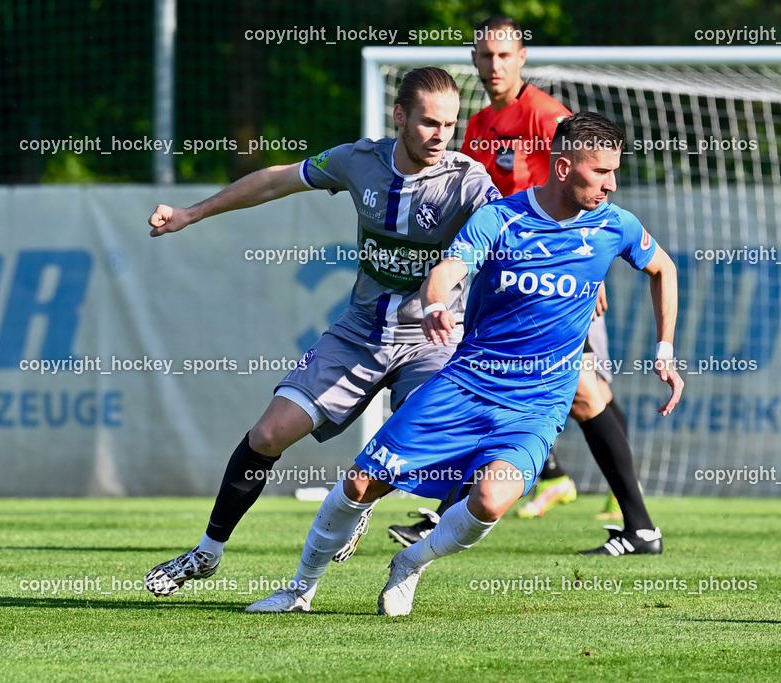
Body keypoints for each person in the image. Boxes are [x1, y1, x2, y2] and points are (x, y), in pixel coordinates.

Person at [244, 111, 684, 615]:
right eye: (601, 171)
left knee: (490, 501)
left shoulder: (615, 225)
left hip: (537, 405)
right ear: (564, 168)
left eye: (614, 172)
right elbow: (448, 269)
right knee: (361, 484)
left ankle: (410, 563)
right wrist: (435, 304)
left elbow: (663, 269)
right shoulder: (501, 218)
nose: (611, 184)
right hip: (465, 385)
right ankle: (299, 590)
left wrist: (665, 351)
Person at [142, 67, 501, 596]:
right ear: (400, 116)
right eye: (429, 122)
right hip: (359, 333)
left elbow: (510, 235)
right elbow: (275, 180)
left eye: (449, 124)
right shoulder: (359, 161)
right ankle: (207, 552)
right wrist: (191, 213)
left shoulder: (469, 182)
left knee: (429, 439)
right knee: (267, 435)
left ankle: (366, 506)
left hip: (433, 340)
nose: (440, 135)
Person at [388, 15, 659, 556]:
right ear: (473, 59)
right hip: (506, 283)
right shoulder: (478, 124)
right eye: (485, 56)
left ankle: (634, 520)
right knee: (533, 387)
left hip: (556, 281)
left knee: (584, 392)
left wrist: (587, 265)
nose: (494, 66)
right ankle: (617, 513)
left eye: (504, 55)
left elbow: (584, 189)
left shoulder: (545, 114)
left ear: (522, 58)